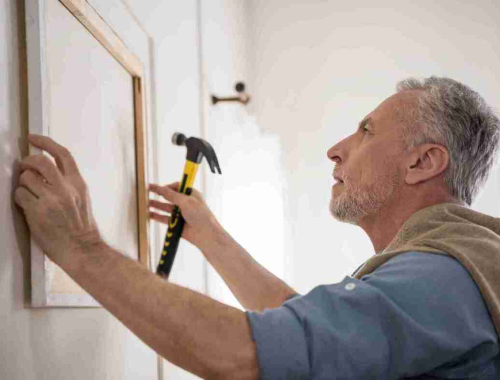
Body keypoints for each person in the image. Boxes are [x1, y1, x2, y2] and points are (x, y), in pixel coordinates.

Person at [14, 76, 500, 379]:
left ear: (422, 162)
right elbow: (304, 332)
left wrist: (82, 248)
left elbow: (243, 356)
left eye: (367, 130)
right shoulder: (453, 270)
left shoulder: (438, 280)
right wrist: (211, 237)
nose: (336, 148)